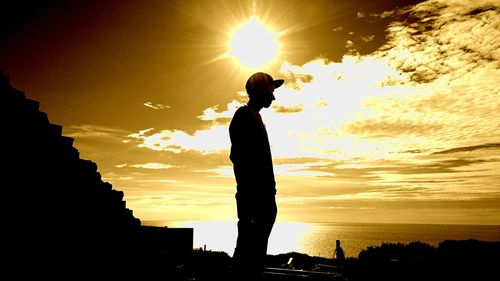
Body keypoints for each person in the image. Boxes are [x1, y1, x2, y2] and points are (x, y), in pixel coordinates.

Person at [228, 72, 284, 280]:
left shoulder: (255, 117)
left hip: (261, 200)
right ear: (260, 90)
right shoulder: (244, 116)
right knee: (247, 256)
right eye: (271, 90)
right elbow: (241, 159)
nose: (273, 96)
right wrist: (254, 199)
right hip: (255, 201)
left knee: (254, 256)